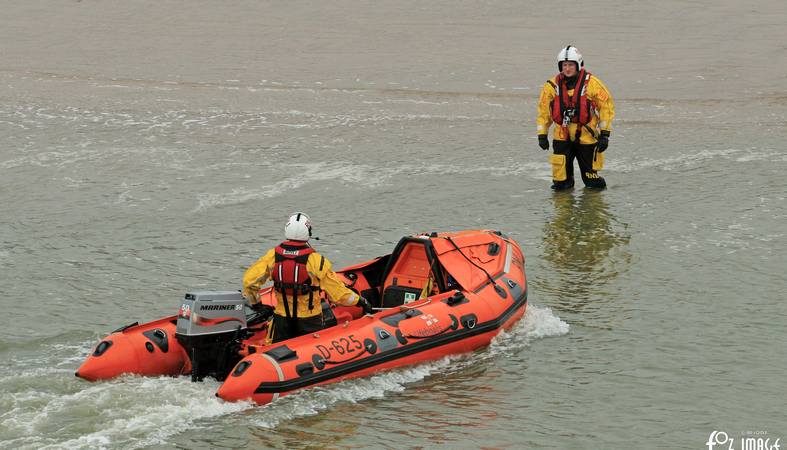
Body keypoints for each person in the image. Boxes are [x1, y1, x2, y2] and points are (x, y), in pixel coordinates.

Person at [242, 212, 373, 343]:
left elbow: (249, 282)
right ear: (308, 232)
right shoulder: (317, 261)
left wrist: (256, 303)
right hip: (310, 322)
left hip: (282, 320)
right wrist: (360, 301)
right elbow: (338, 294)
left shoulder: (272, 257)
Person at [536, 45, 615, 190]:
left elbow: (606, 108)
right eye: (564, 65)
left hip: (587, 137)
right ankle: (565, 211)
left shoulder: (593, 85)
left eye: (571, 65)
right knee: (560, 183)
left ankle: (594, 208)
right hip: (561, 136)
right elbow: (543, 112)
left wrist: (605, 135)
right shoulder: (551, 87)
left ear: (578, 65)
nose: (567, 69)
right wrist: (542, 135)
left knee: (592, 181)